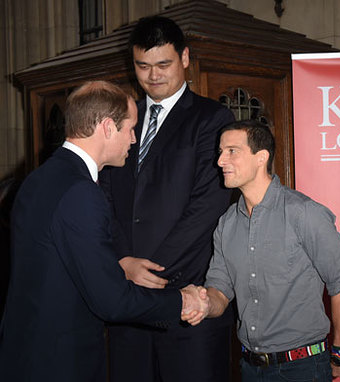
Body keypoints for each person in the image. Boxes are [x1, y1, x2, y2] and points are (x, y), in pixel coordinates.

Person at [0, 81, 209, 382]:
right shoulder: (81, 191)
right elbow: (112, 300)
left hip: (25, 353)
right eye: (130, 129)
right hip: (60, 363)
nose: (134, 139)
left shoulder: (38, 178)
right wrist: (182, 301)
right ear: (108, 127)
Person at [98, 16, 235, 382]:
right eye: (143, 66)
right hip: (127, 302)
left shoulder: (213, 118)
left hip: (187, 300)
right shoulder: (120, 118)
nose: (153, 75)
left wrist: (151, 269)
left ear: (185, 58)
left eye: (164, 64)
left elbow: (208, 205)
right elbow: (104, 197)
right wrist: (124, 260)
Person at [183, 120, 340, 381]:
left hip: (303, 368)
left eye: (232, 151)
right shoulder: (227, 223)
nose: (220, 161)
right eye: (220, 152)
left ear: (260, 157)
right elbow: (220, 289)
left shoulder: (305, 213)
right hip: (250, 368)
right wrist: (201, 303)